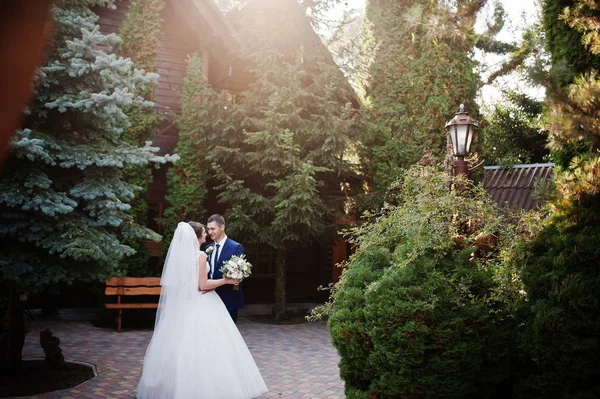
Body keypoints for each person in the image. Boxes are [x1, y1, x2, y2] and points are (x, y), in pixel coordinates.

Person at [136, 222, 268, 399]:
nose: (206, 234)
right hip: (202, 303)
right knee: (211, 345)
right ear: (197, 236)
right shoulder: (199, 255)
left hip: (183, 307)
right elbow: (203, 284)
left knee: (180, 345)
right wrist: (226, 280)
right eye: (204, 232)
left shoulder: (180, 257)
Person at [205, 214, 245, 323]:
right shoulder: (208, 248)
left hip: (228, 298)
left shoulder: (235, 247)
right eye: (208, 229)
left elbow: (240, 273)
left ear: (222, 227)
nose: (210, 232)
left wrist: (237, 280)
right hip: (210, 297)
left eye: (213, 228)